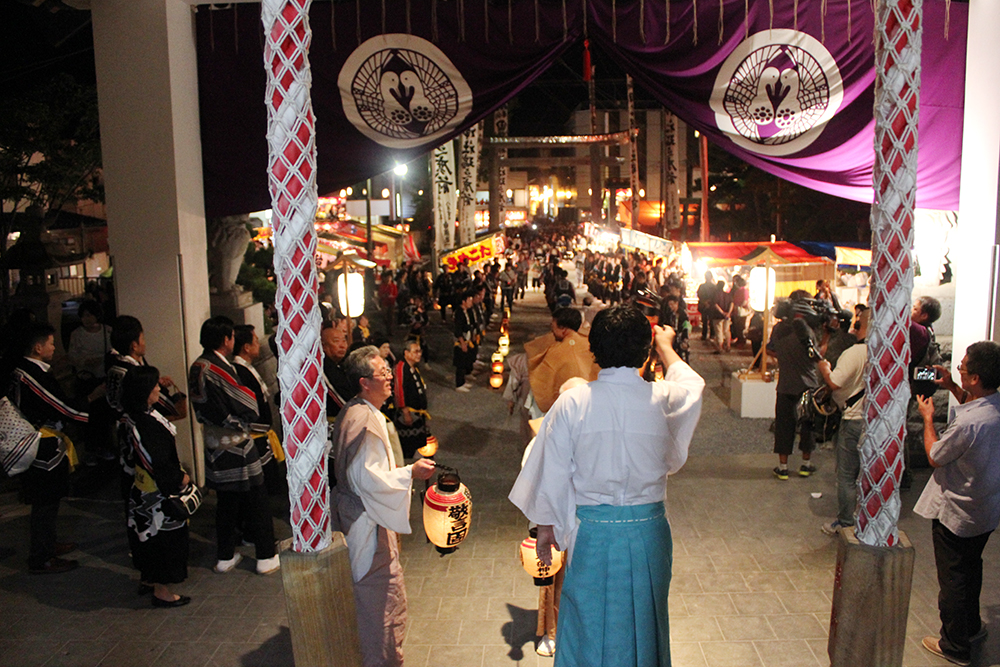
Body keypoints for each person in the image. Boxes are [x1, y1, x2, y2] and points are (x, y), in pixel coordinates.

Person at [509, 305, 705, 667]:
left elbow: (552, 470)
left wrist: (546, 525)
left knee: (588, 624)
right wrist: (665, 346)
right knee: (645, 621)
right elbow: (693, 385)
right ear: (644, 351)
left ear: (594, 349)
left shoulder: (573, 401)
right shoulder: (663, 398)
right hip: (648, 532)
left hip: (592, 533)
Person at [330, 346, 437, 667]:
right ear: (364, 382)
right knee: (380, 604)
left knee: (378, 600)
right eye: (383, 373)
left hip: (360, 514)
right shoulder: (363, 420)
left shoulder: (356, 410)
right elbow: (369, 480)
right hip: (366, 521)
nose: (390, 377)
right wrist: (410, 473)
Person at [914, 342, 1000, 666]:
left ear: (975, 377)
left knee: (953, 580)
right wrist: (951, 385)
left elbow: (935, 456)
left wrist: (927, 418)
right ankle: (971, 628)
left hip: (958, 513)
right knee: (971, 570)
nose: (959, 368)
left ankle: (954, 646)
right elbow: (976, 408)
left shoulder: (968, 424)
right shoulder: (993, 407)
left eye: (962, 367)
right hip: (985, 509)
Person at [188, 316, 279, 576]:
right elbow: (247, 403)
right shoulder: (218, 369)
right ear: (226, 339)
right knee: (257, 500)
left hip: (213, 442)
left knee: (226, 503)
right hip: (236, 442)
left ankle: (225, 556)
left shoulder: (198, 365)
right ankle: (265, 556)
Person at [7, 324, 89, 574]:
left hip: (44, 441)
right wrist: (89, 406)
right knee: (45, 501)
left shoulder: (27, 370)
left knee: (49, 501)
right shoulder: (30, 374)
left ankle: (48, 545)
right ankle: (42, 556)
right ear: (37, 347)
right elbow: (61, 407)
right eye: (51, 343)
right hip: (40, 444)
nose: (54, 348)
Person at [121, 365, 192, 607]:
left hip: (142, 490)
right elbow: (157, 460)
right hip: (157, 494)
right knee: (164, 541)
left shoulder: (133, 415)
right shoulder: (145, 423)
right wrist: (180, 478)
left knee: (145, 538)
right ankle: (162, 591)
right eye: (154, 386)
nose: (158, 389)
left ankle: (148, 579)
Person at [817, 308, 870, 535]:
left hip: (853, 419)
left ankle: (846, 522)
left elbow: (835, 383)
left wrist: (824, 369)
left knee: (847, 475)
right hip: (875, 421)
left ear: (860, 325)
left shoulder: (855, 353)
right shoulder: (885, 353)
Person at [767, 293, 820, 479]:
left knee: (784, 425)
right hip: (807, 385)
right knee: (807, 424)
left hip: (785, 384)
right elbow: (815, 356)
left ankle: (783, 467)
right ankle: (806, 464)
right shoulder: (808, 331)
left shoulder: (778, 329)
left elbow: (770, 348)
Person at [233, 325, 284, 496]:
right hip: (255, 434)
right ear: (246, 347)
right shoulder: (240, 371)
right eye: (255, 341)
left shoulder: (247, 368)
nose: (259, 345)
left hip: (261, 432)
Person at [523, 307, 600, 414]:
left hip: (564, 409)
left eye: (553, 327)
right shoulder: (593, 346)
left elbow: (543, 383)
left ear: (563, 328)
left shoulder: (553, 351)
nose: (552, 331)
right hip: (593, 403)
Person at [392, 338, 430, 460]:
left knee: (418, 442)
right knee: (408, 445)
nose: (419, 354)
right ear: (406, 353)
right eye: (415, 351)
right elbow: (399, 390)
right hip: (408, 412)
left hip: (417, 413)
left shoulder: (413, 368)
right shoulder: (401, 367)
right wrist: (404, 411)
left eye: (420, 351)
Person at [453, 291, 475, 392]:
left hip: (467, 340)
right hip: (461, 341)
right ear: (463, 301)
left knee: (465, 360)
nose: (471, 302)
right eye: (469, 300)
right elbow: (458, 330)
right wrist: (462, 343)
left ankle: (463, 381)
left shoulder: (467, 311)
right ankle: (459, 384)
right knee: (460, 363)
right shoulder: (459, 313)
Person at [696, 271, 716, 341]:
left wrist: (704, 302)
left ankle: (705, 335)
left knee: (705, 321)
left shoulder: (702, 286)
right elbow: (715, 296)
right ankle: (711, 335)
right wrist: (708, 302)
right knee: (710, 321)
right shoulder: (714, 287)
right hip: (710, 305)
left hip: (705, 305)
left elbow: (699, 295)